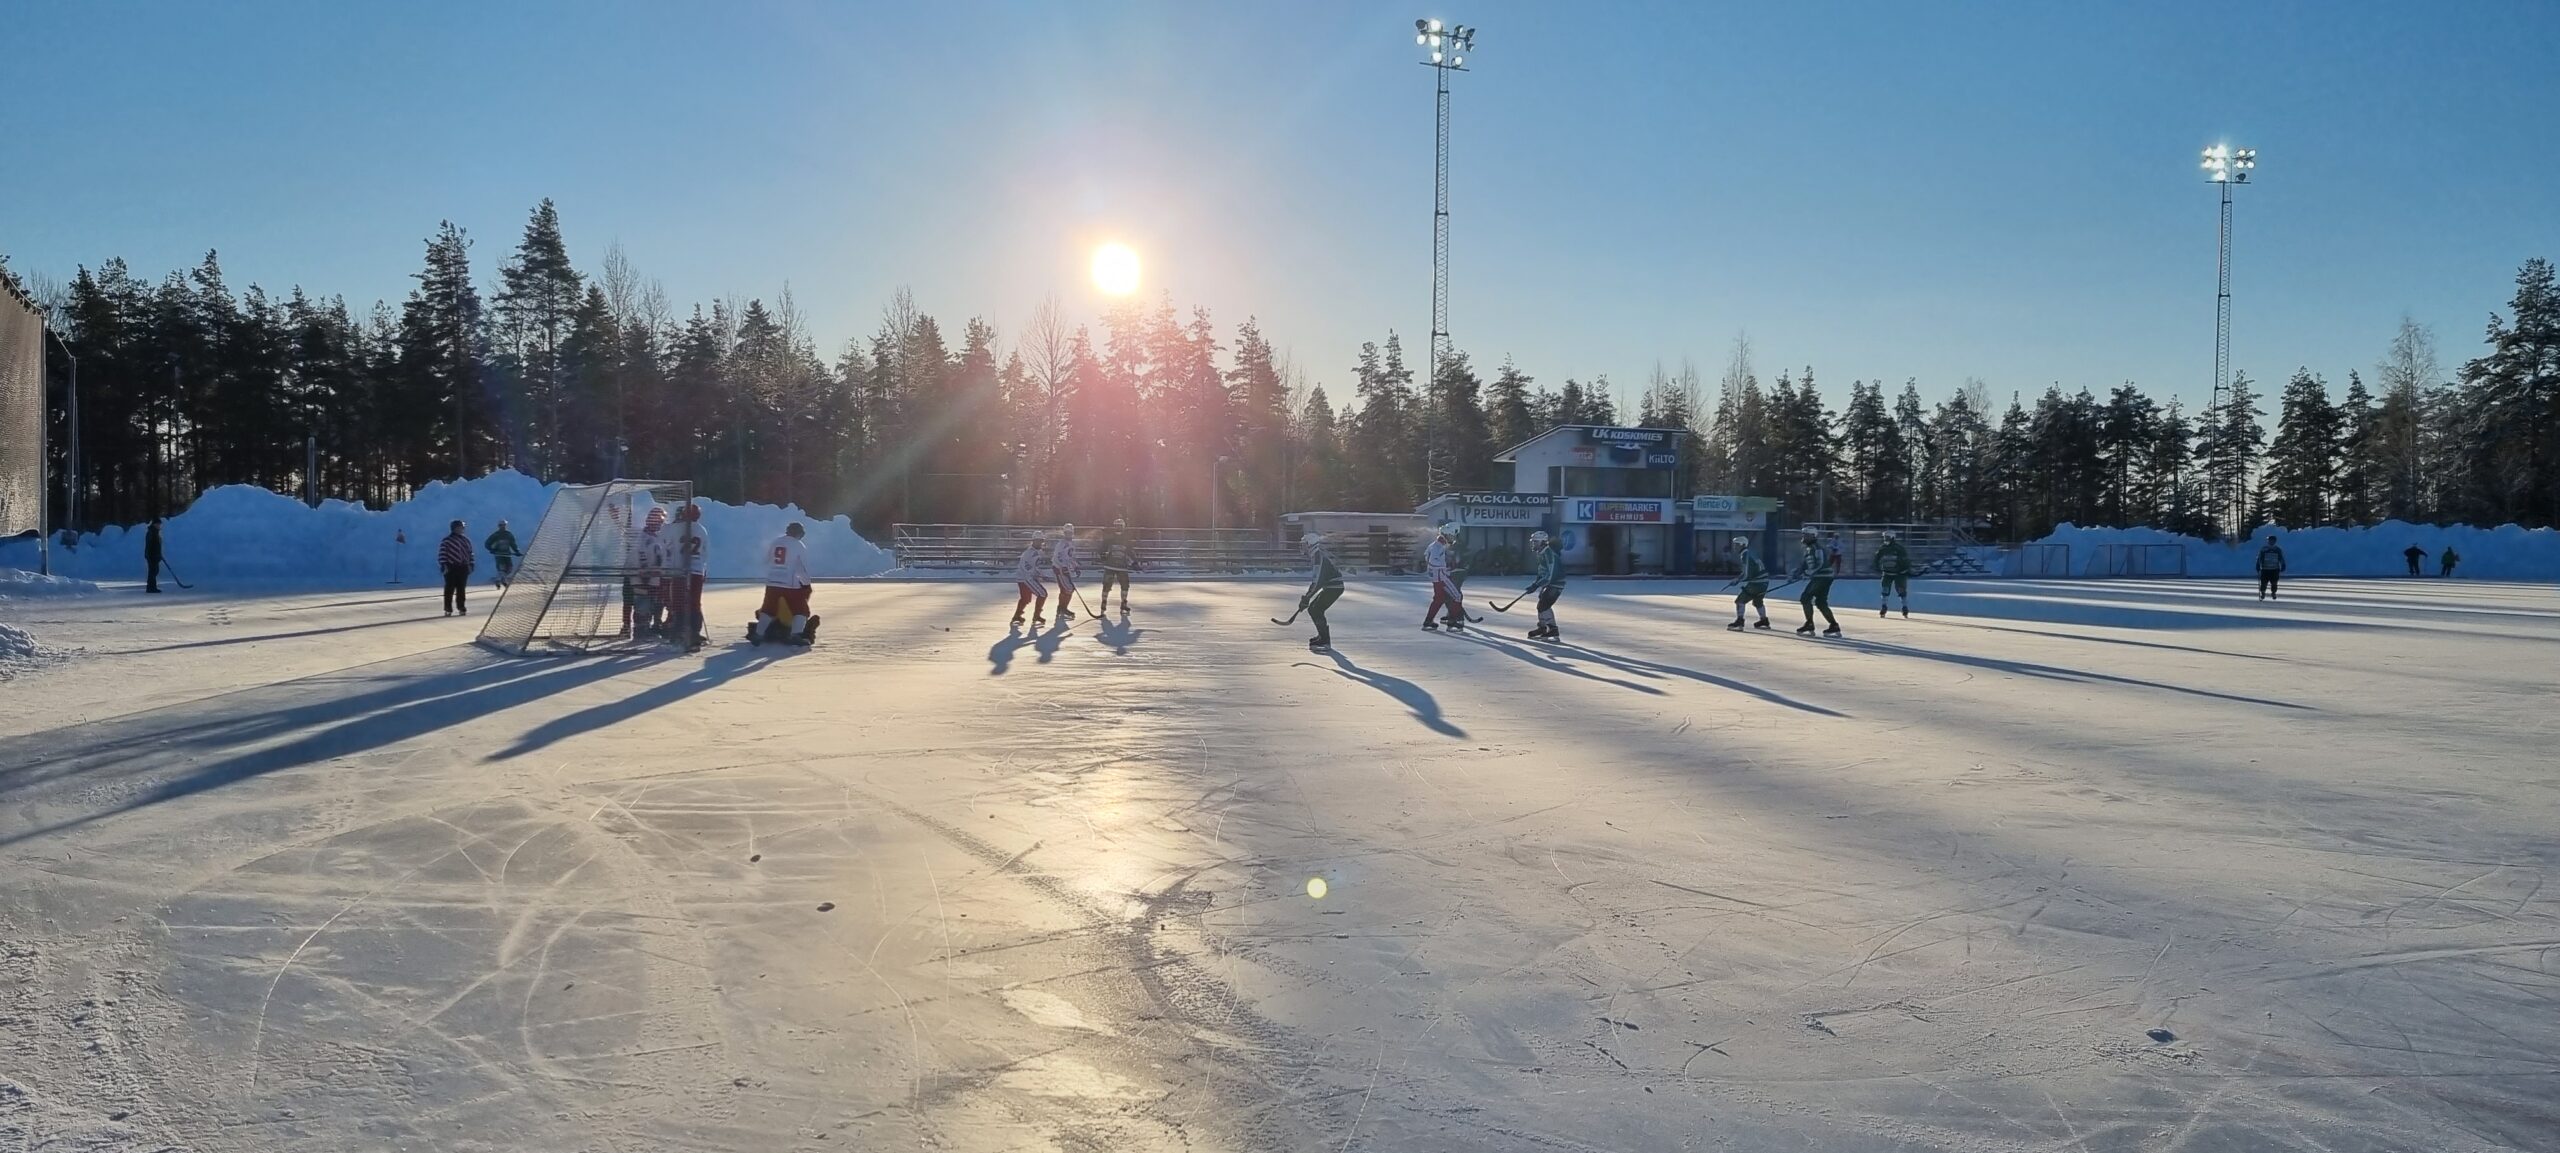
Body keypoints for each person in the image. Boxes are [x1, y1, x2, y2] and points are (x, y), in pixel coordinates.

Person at [751, 522, 817, 646]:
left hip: (772, 582)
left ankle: (758, 634)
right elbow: (800, 568)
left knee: (768, 608)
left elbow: (766, 561)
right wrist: (806, 583)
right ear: (799, 534)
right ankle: (796, 635)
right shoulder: (798, 545)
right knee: (801, 609)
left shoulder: (775, 542)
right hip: (789, 583)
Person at [1298, 532, 1345, 652]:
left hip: (1334, 588)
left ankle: (1324, 640)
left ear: (1310, 544)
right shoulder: (1317, 555)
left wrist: (1307, 597)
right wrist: (1307, 598)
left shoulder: (1318, 557)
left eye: (1304, 545)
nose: (1302, 548)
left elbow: (1317, 581)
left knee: (1315, 609)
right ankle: (1322, 637)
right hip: (1331, 587)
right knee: (1314, 609)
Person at [673, 502, 710, 652]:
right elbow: (706, 552)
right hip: (697, 570)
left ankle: (679, 631)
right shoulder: (702, 530)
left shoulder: (678, 528)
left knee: (679, 601)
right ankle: (694, 631)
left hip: (680, 570)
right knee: (695, 602)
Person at [1794, 526, 1840, 637]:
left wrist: (1808, 573)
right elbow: (1807, 563)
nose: (1803, 537)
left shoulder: (1816, 548)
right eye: (1803, 535)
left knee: (1805, 598)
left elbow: (1820, 563)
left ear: (1813, 536)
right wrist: (1798, 572)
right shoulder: (1809, 549)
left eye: (1806, 535)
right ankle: (1834, 625)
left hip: (1822, 577)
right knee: (1820, 602)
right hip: (1823, 577)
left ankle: (1809, 623)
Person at [634, 507, 672, 636]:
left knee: (658, 602)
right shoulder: (641, 536)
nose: (659, 523)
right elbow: (640, 554)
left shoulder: (662, 537)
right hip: (643, 576)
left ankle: (656, 625)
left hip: (658, 577)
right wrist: (645, 570)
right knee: (643, 602)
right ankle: (641, 629)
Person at [1421, 524, 1466, 632]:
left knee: (1439, 599)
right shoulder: (1438, 547)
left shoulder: (1434, 545)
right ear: (1448, 534)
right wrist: (1446, 567)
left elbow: (1426, 555)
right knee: (1457, 596)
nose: (1453, 539)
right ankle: (1452, 622)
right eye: (1453, 536)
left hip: (1436, 577)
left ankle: (1428, 622)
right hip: (1441, 577)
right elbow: (1433, 561)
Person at [1523, 529, 1565, 641]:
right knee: (1541, 605)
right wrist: (1535, 584)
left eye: (1535, 542)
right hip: (1549, 584)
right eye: (1533, 541)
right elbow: (1542, 572)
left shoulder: (1549, 553)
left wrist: (1537, 585)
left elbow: (1551, 575)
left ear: (1542, 542)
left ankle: (1552, 629)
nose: (1533, 544)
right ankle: (1543, 628)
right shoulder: (1541, 553)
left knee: (1543, 605)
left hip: (1555, 584)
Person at [1727, 536, 1773, 631]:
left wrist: (1738, 580)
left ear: (1742, 545)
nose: (1734, 547)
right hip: (1763, 582)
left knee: (1740, 601)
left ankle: (1740, 621)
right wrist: (1738, 578)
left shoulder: (1745, 555)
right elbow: (1747, 571)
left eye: (1736, 545)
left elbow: (1747, 574)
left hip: (1756, 583)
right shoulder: (1750, 553)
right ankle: (1764, 620)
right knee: (1757, 601)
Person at [1096, 518, 1137, 616]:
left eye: (1120, 526)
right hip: (1111, 566)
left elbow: (1130, 552)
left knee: (1124, 586)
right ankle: (1104, 602)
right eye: (1117, 526)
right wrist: (1102, 555)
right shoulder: (1110, 539)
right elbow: (1101, 549)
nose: (1119, 528)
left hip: (1121, 567)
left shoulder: (1125, 540)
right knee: (1107, 585)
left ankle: (1123, 603)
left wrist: (1134, 562)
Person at [1011, 535, 1051, 628]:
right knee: (1042, 594)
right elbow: (1026, 567)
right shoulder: (1029, 553)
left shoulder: (1037, 552)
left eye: (1041, 541)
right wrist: (1035, 574)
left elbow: (1035, 567)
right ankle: (1036, 616)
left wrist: (1042, 575)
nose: (1041, 543)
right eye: (1039, 541)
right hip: (1026, 578)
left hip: (1024, 577)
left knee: (1025, 598)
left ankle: (1017, 616)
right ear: (1033, 541)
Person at [437, 519, 475, 616]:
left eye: (462, 528)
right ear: (454, 528)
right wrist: (444, 564)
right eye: (459, 528)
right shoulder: (447, 540)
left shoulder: (466, 540)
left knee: (461, 588)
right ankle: (448, 608)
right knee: (450, 588)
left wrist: (471, 563)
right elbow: (442, 553)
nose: (461, 529)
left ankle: (461, 607)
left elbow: (470, 553)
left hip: (463, 567)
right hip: (451, 567)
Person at [1049, 523, 1083, 622]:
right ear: (1064, 533)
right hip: (1059, 569)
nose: (1069, 534)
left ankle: (1062, 608)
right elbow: (1057, 557)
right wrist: (1062, 567)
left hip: (1066, 569)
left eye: (1070, 533)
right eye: (1067, 533)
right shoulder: (1061, 544)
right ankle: (1062, 608)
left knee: (1067, 589)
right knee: (1067, 589)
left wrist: (1075, 567)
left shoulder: (1071, 544)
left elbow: (1071, 557)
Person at [1875, 530, 1912, 618]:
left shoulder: (1899, 548)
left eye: (1887, 537)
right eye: (1884, 538)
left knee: (1901, 590)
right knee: (1885, 590)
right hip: (1887, 573)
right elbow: (1877, 558)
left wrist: (1905, 569)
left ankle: (1904, 607)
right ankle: (1884, 606)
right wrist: (1877, 566)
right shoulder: (1882, 548)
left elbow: (1905, 560)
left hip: (1899, 574)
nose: (1885, 539)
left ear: (1892, 538)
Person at [484, 520, 521, 588]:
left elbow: (513, 544)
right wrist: (491, 549)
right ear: (499, 526)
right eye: (501, 525)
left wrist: (517, 551)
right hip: (499, 555)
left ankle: (502, 580)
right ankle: (499, 580)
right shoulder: (495, 535)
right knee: (502, 569)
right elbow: (487, 543)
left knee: (509, 569)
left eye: (504, 525)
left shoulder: (509, 534)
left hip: (507, 554)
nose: (503, 527)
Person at [2255, 534, 2287, 600]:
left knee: (2274, 582)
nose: (2271, 542)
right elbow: (2259, 558)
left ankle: (2273, 592)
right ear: (2268, 541)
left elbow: (2281, 558)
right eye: (2270, 540)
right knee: (2263, 582)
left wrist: (2283, 564)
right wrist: (2258, 565)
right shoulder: (2264, 549)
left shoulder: (2277, 549)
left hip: (2275, 569)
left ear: (2275, 541)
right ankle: (2263, 592)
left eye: (2273, 541)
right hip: (2265, 569)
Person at [143, 516, 165, 594]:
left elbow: (157, 545)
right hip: (151, 555)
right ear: (154, 524)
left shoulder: (156, 532)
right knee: (152, 572)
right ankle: (150, 588)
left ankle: (152, 587)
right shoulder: (151, 532)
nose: (159, 526)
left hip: (156, 555)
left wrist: (159, 554)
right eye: (158, 524)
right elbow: (149, 545)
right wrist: (149, 555)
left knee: (155, 571)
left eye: (159, 524)